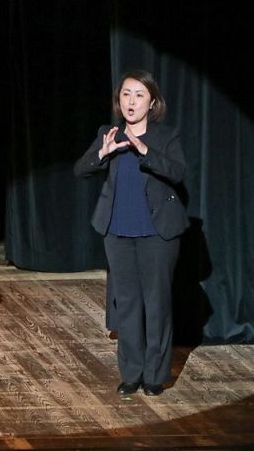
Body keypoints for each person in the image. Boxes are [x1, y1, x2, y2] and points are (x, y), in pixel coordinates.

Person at [74, 69, 188, 396]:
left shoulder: (165, 137)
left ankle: (154, 375)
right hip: (117, 231)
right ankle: (131, 373)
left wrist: (146, 152)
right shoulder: (108, 134)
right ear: (118, 100)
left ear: (152, 102)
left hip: (156, 233)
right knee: (126, 304)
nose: (131, 101)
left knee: (156, 303)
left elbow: (178, 172)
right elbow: (80, 169)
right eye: (126, 94)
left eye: (139, 95)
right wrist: (103, 153)